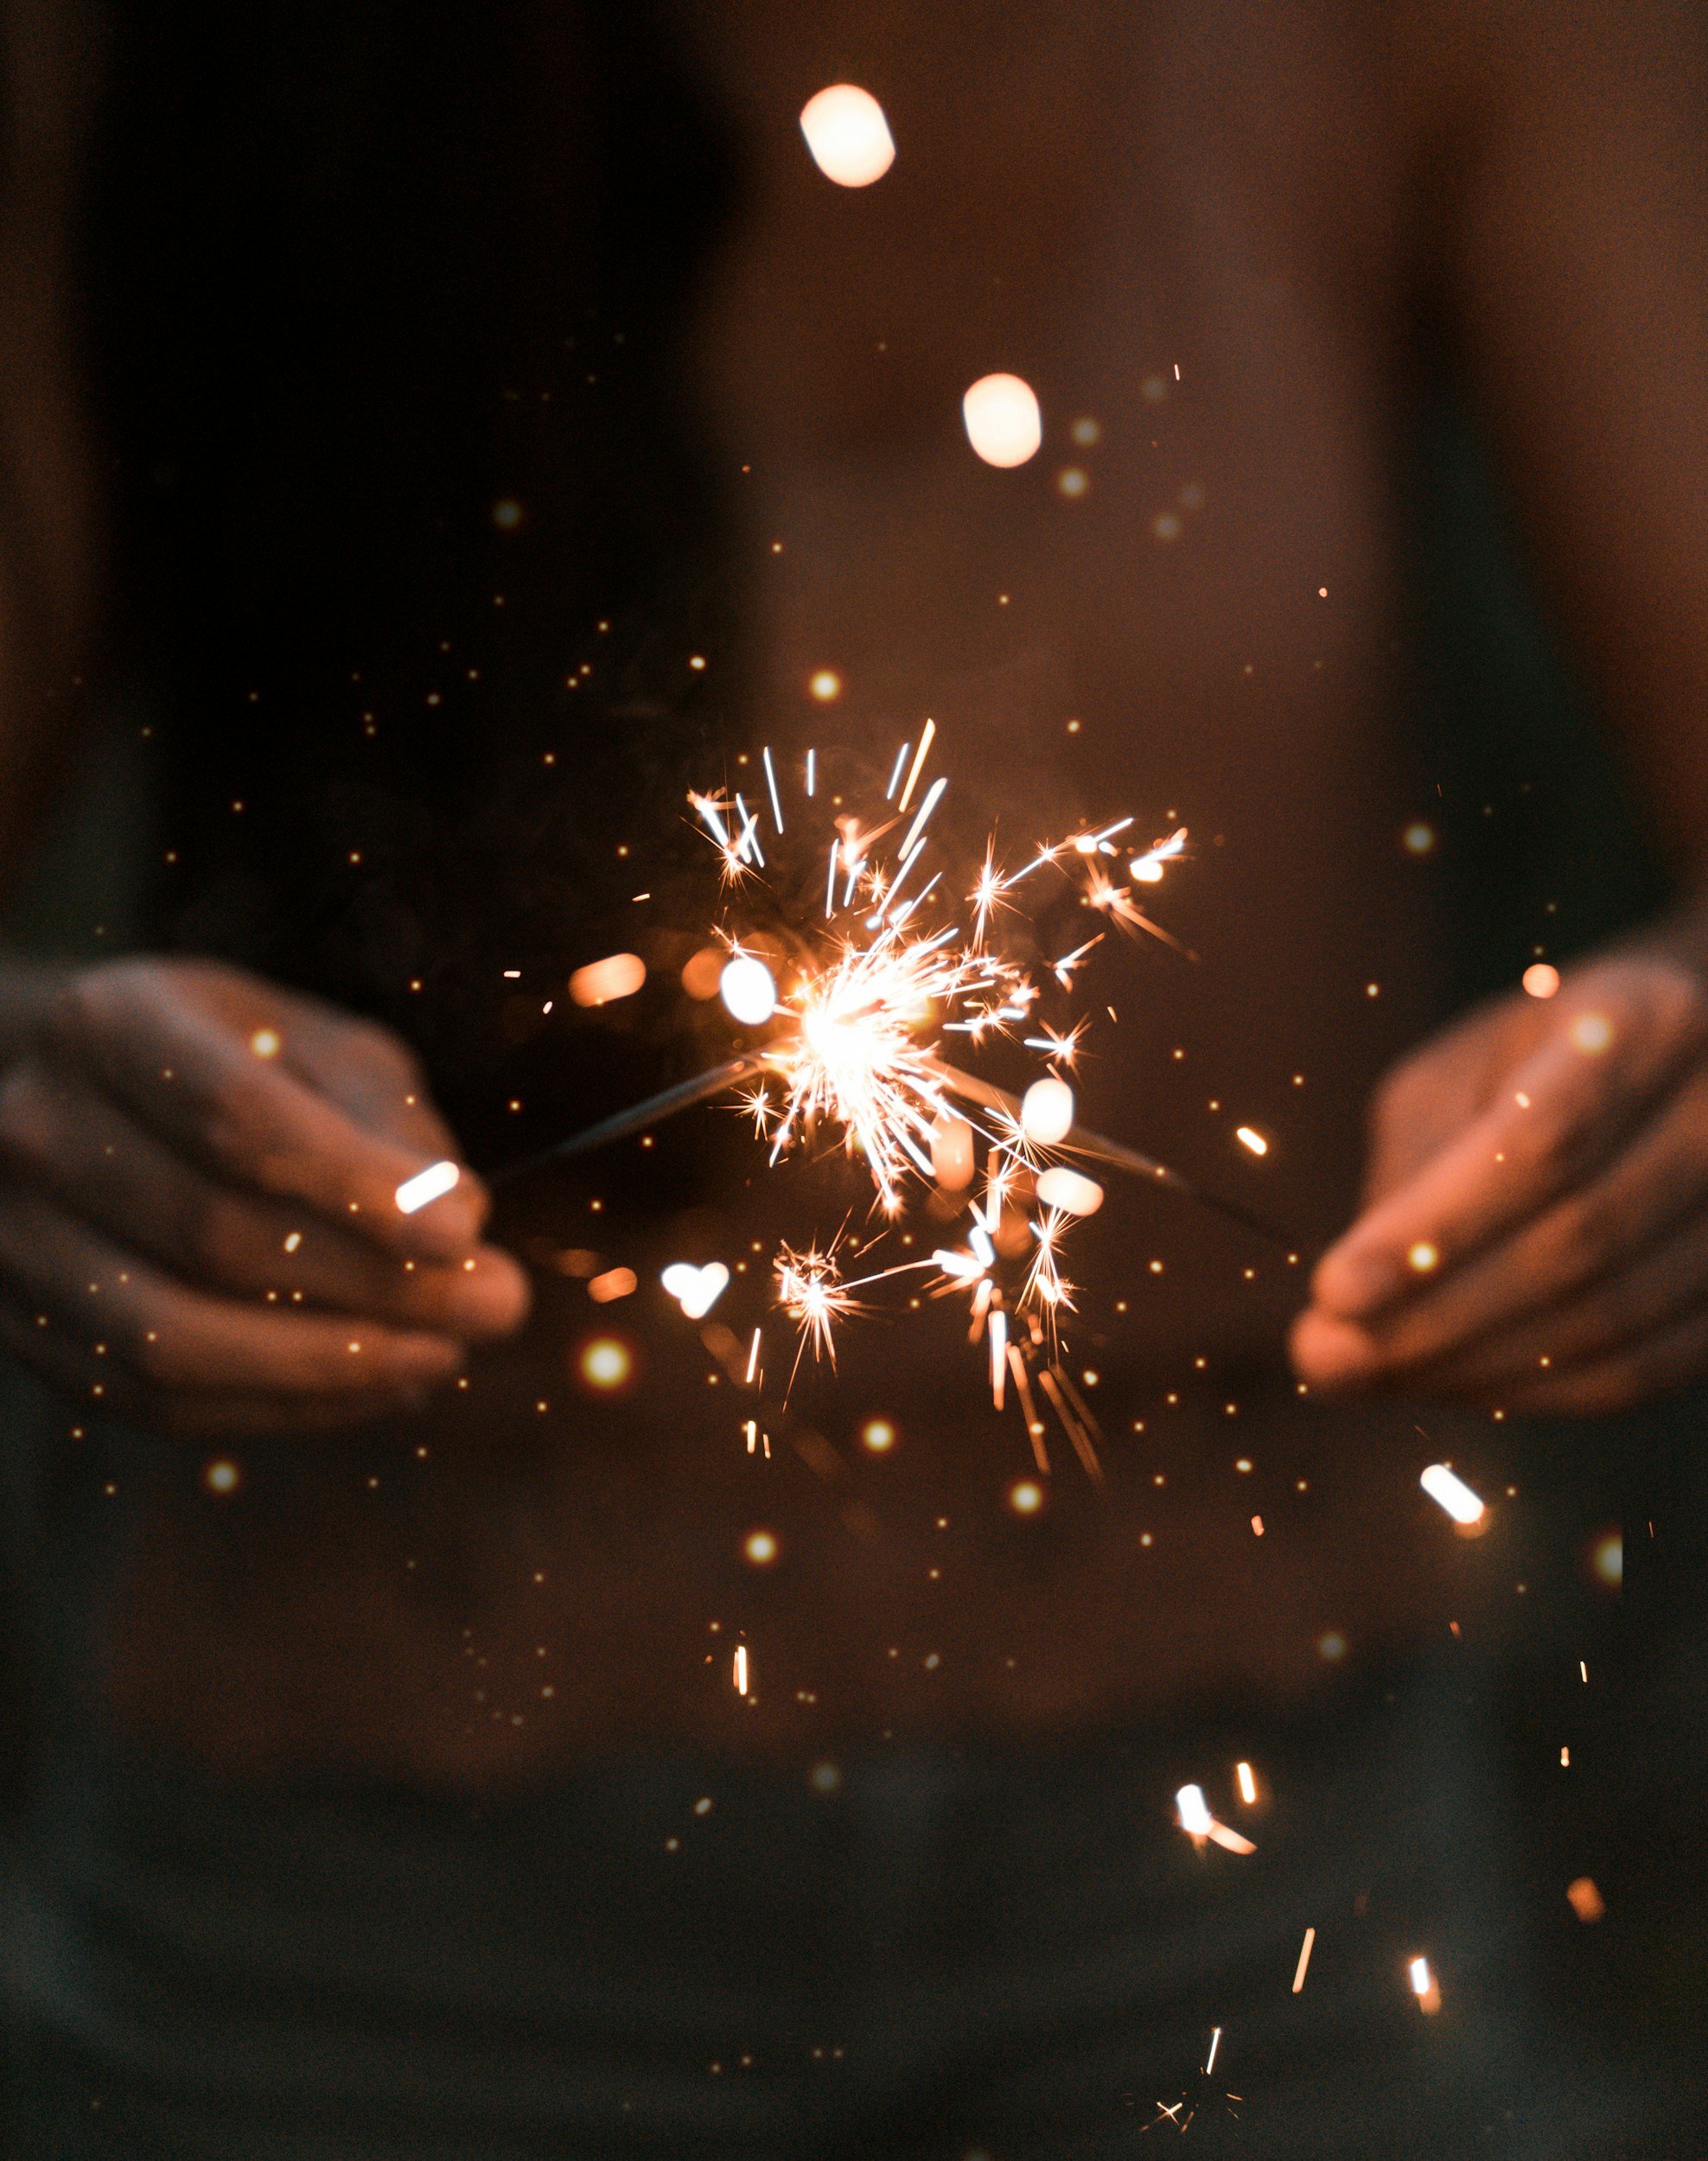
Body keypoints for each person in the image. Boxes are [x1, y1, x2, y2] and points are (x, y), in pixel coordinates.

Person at [0, 1, 1702, 2152]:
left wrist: (1671, 1071)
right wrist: (37, 1089)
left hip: (1252, 1871)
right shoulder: (120, 55)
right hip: (346, 1890)